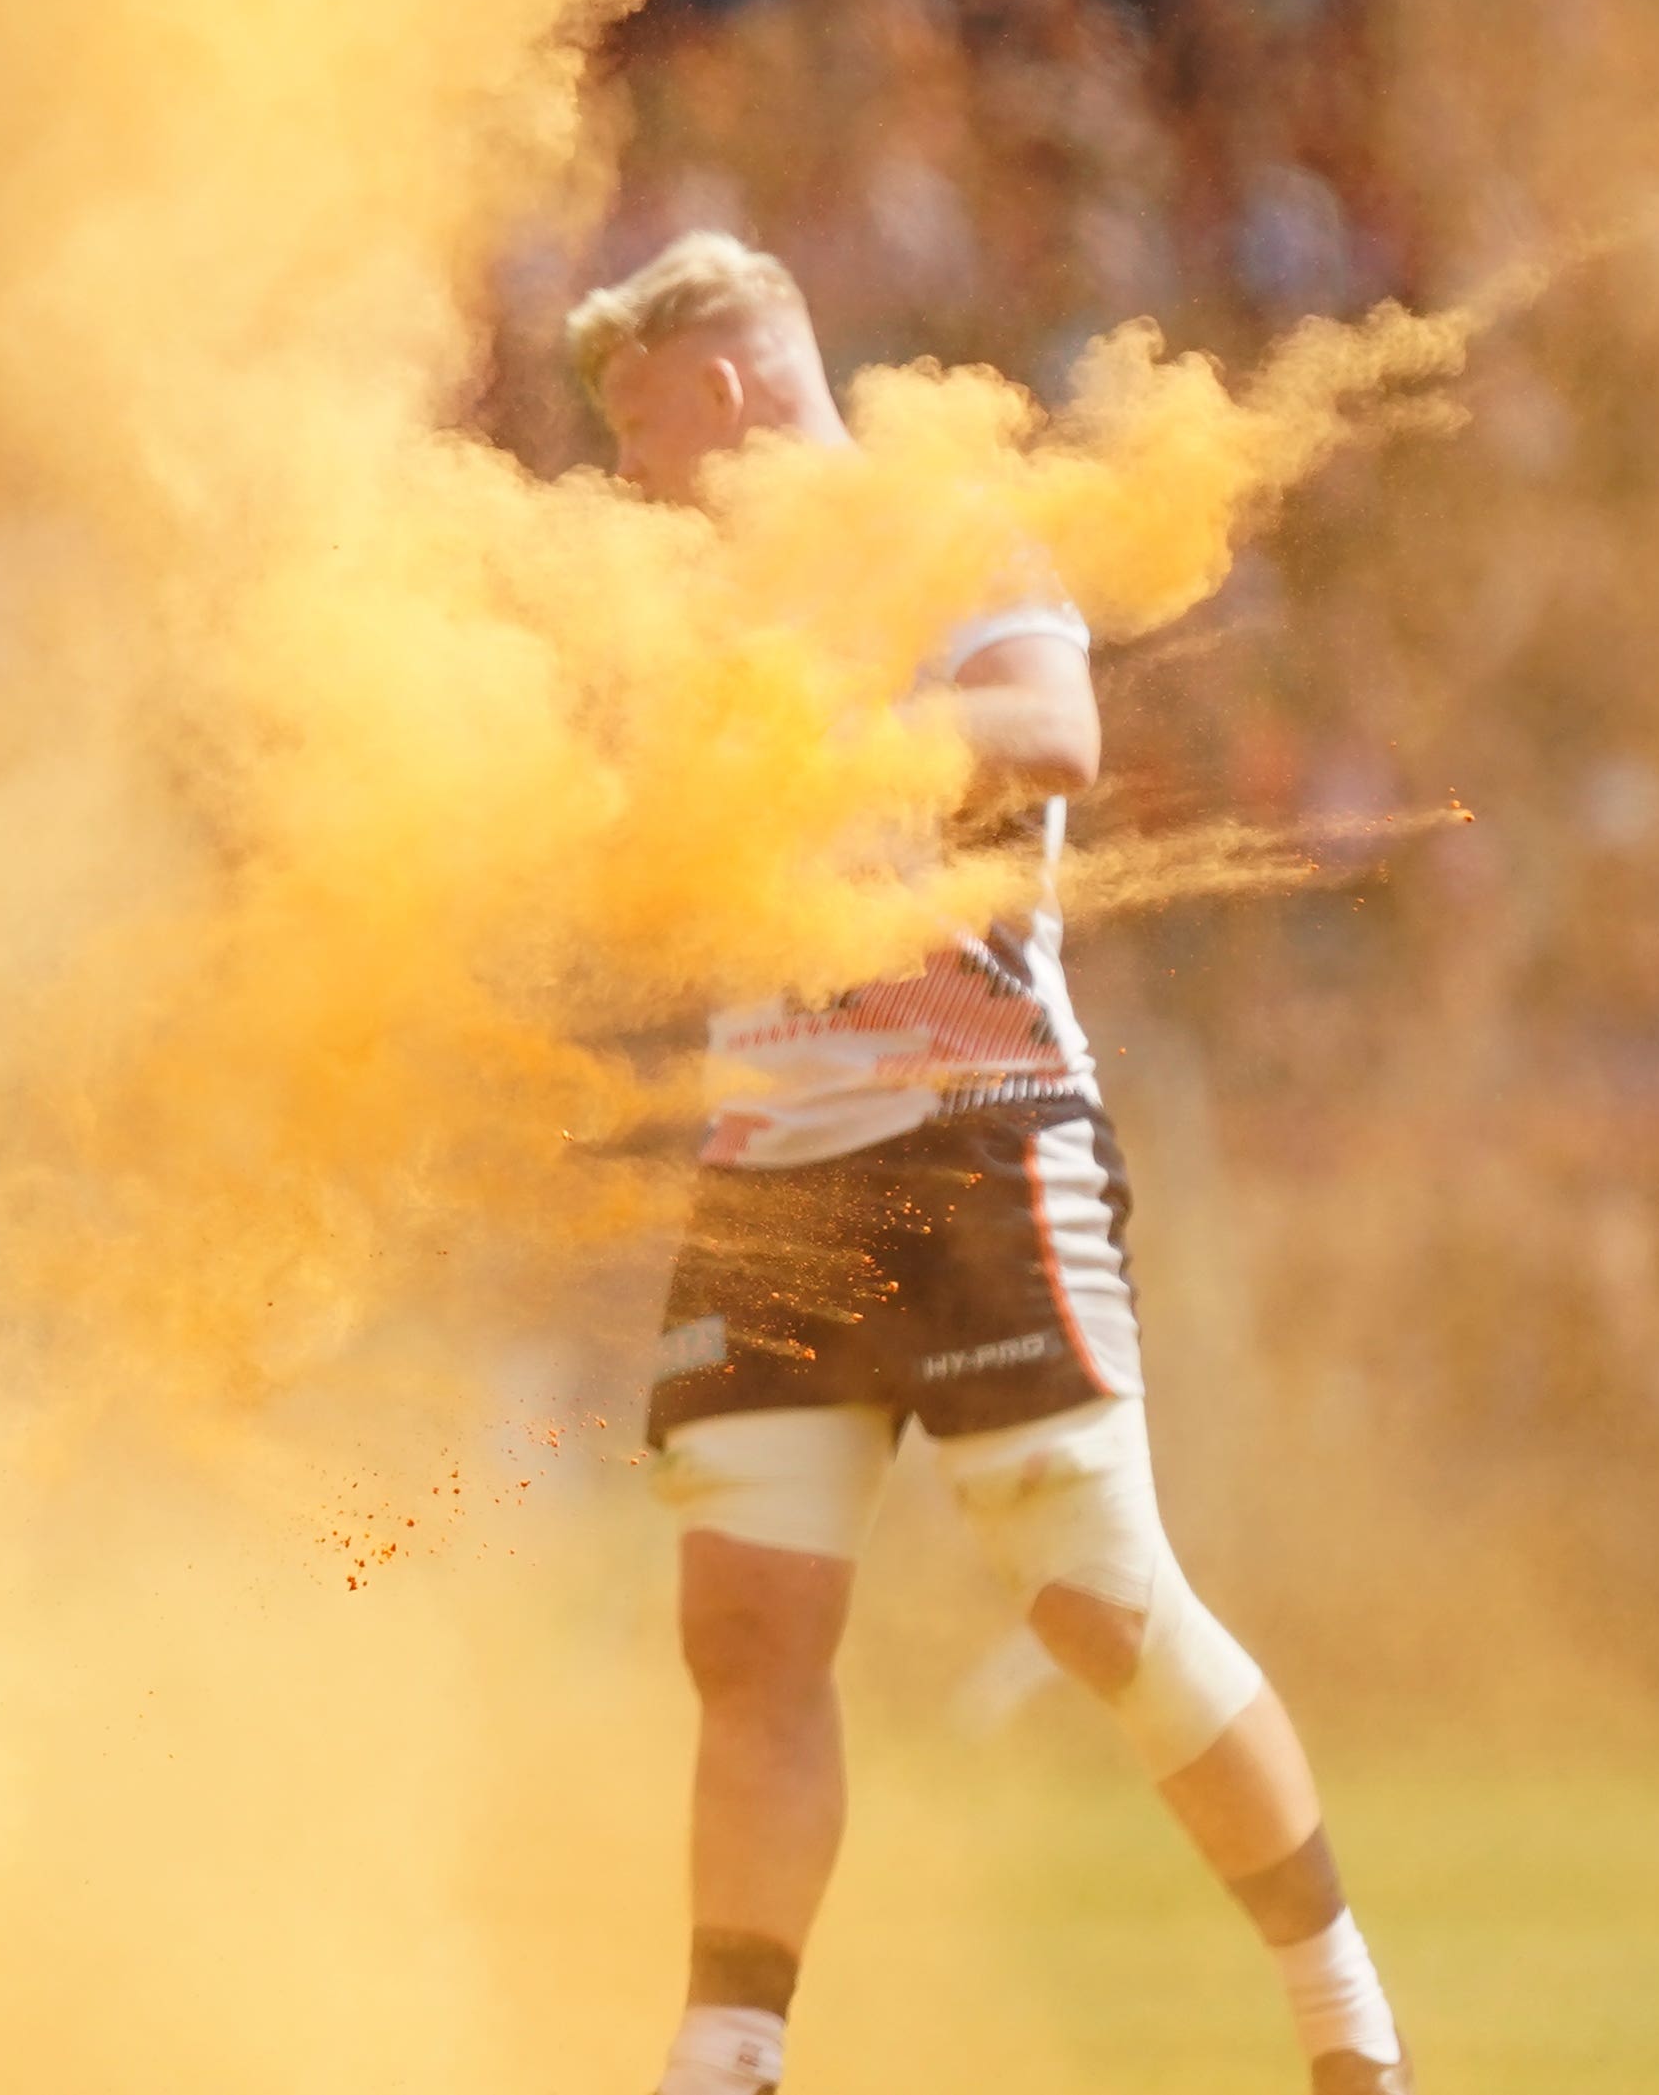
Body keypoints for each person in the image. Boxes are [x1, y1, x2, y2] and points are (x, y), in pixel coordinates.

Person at [573, 233, 1414, 2095]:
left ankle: (1347, 2023)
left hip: (971, 1131)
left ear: (716, 393)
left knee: (1094, 1596)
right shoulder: (690, 621)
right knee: (746, 1626)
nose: (628, 482)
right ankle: (726, 2055)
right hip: (768, 1166)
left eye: (636, 431)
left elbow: (1052, 733)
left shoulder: (936, 534)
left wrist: (815, 745)